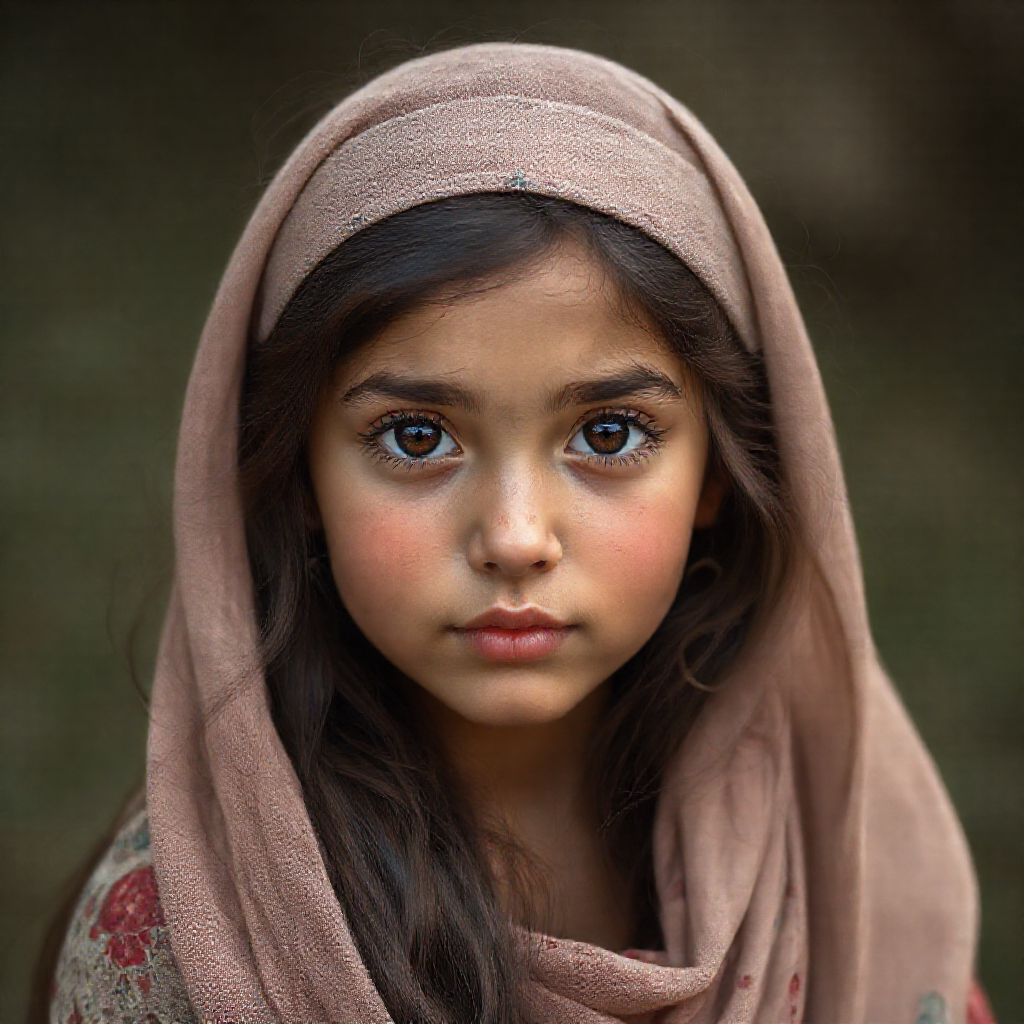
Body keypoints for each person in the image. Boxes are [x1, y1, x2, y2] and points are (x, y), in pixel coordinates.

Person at [38, 43, 993, 1024]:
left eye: (607, 434)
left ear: (715, 468)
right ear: (300, 477)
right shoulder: (184, 932)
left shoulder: (836, 858)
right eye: (416, 437)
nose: (515, 536)